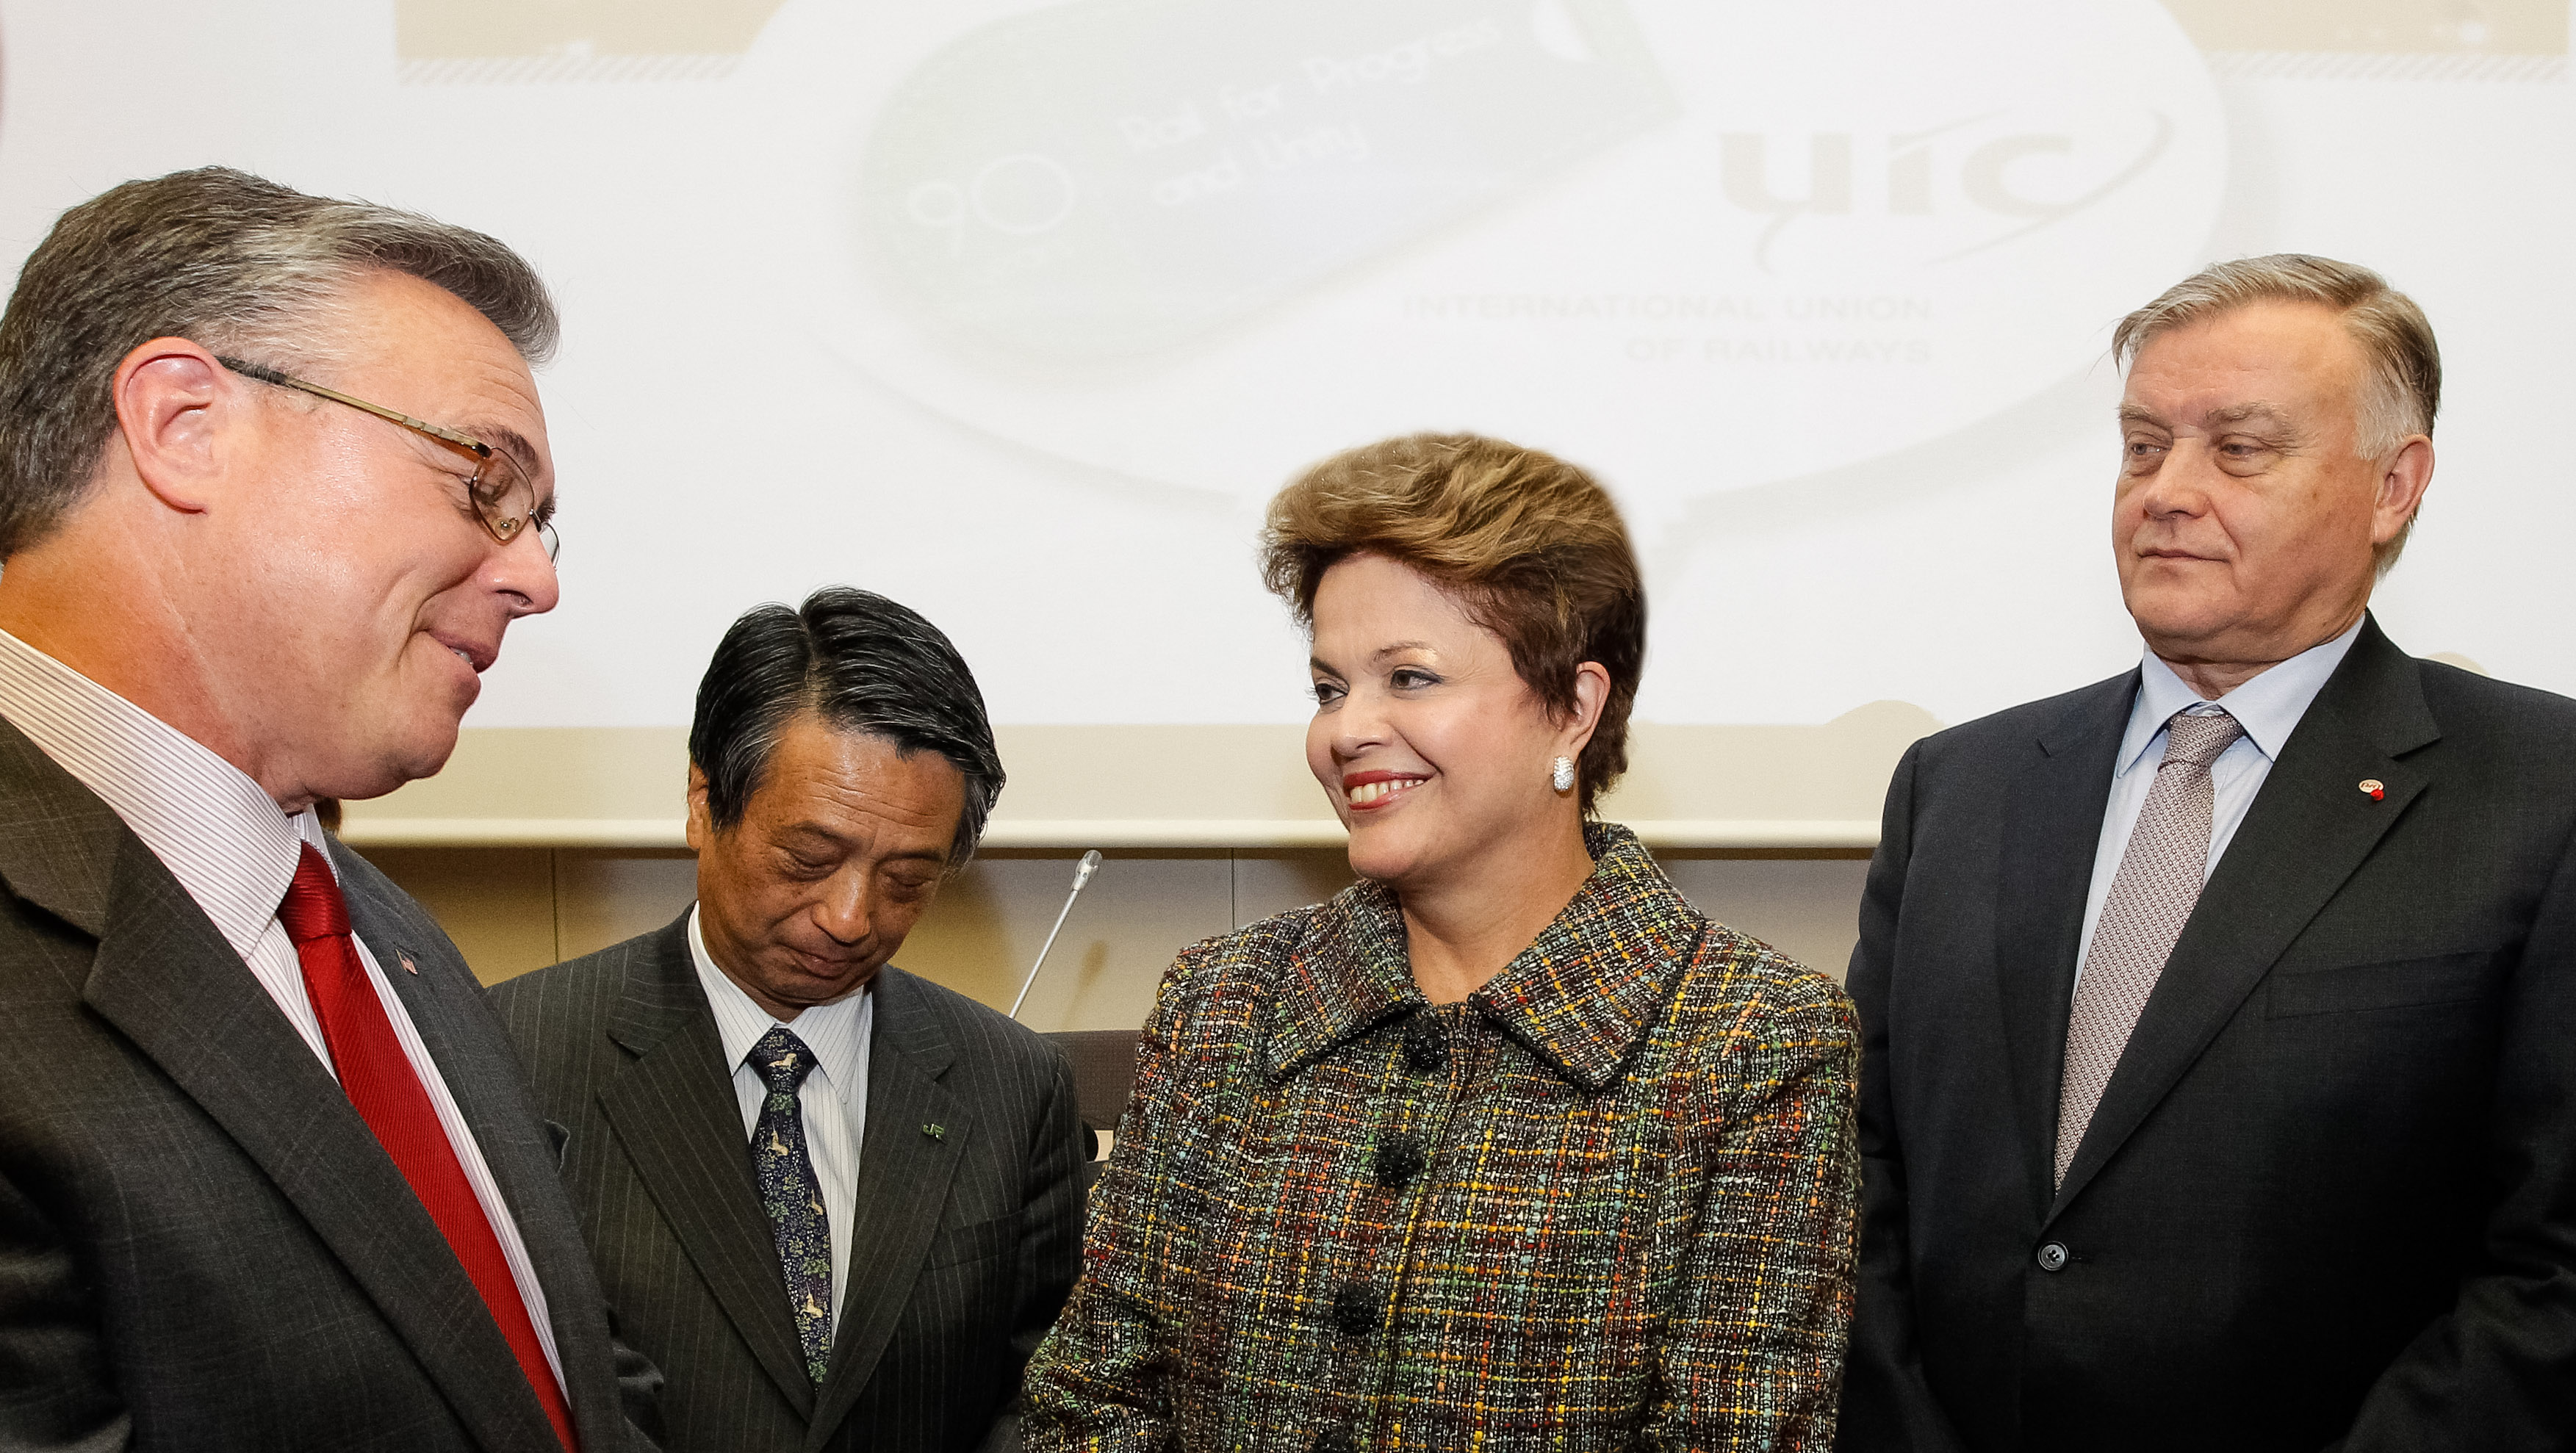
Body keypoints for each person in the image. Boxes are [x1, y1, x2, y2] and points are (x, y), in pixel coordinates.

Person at [1840, 255, 2576, 1451]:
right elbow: (1856, 1181)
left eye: (2237, 449)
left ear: (2393, 486)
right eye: (2142, 445)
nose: (2166, 493)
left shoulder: (2542, 793)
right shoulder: (1958, 787)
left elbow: (2552, 1269)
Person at [1023, 433, 1862, 1450]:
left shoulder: (1755, 1039)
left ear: (1572, 709)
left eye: (1409, 678)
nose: (1345, 730)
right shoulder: (1223, 1002)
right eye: (1328, 688)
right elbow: (1091, 1401)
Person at [0, 168, 660, 1449]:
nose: (536, 578)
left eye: (542, 525)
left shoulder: (384, 935)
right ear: (184, 424)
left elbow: (574, 1376)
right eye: (484, 479)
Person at [491, 586, 1086, 1453]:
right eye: (808, 858)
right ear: (704, 802)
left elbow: (1048, 1394)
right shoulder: (511, 1052)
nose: (850, 917)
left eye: (906, 880)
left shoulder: (1015, 1086)